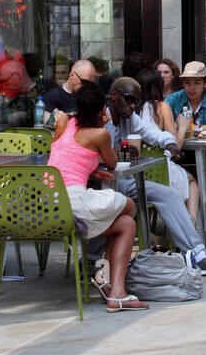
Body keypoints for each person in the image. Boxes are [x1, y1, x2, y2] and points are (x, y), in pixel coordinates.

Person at [107, 77, 206, 274]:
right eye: (129, 99)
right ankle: (95, 259)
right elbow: (85, 153)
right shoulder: (99, 118)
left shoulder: (129, 118)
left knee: (170, 194)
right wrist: (112, 151)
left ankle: (196, 255)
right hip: (101, 184)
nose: (132, 106)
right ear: (114, 96)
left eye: (136, 102)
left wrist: (170, 143)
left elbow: (152, 132)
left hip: (124, 180)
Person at [48, 82, 146, 311]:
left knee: (125, 224)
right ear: (101, 110)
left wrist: (89, 169)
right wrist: (104, 125)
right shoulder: (100, 134)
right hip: (71, 202)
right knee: (128, 205)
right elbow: (112, 163)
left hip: (47, 200)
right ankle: (108, 280)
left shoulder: (63, 122)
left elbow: (61, 154)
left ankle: (112, 287)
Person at [137, 68, 200, 224]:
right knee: (192, 181)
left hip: (136, 173)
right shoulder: (162, 108)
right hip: (161, 171)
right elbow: (175, 145)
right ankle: (190, 222)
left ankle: (150, 231)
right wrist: (183, 126)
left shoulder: (130, 110)